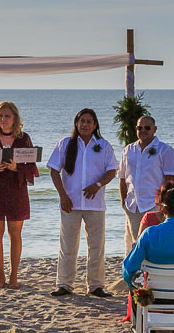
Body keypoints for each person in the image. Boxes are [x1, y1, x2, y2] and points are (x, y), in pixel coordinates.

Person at [46, 108, 119, 297]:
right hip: (70, 203)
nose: (85, 125)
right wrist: (63, 195)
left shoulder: (103, 146)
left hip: (95, 204)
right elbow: (54, 170)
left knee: (96, 246)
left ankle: (95, 285)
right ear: (76, 124)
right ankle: (64, 284)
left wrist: (97, 185)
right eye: (82, 121)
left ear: (95, 125)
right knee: (68, 245)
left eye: (89, 121)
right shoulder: (65, 144)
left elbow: (112, 170)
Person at [0, 101, 38, 289]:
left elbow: (32, 167)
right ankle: (0, 276)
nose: (3, 119)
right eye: (0, 116)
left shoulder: (24, 139)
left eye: (7, 116)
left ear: (15, 118)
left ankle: (13, 277)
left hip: (16, 190)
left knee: (15, 234)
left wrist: (15, 167)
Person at [117, 114, 174, 255]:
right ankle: (135, 274)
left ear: (154, 129)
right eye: (139, 127)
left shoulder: (165, 150)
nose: (143, 130)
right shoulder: (128, 150)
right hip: (133, 205)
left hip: (153, 204)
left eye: (147, 127)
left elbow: (169, 180)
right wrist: (123, 201)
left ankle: (152, 274)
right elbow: (122, 178)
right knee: (135, 244)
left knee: (154, 244)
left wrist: (162, 204)